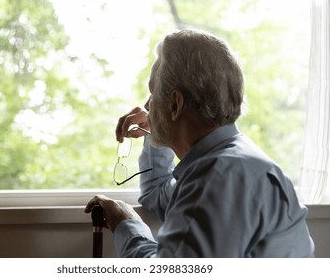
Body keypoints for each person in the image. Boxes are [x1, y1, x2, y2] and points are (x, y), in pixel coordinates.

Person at [84, 29, 315, 257]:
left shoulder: (219, 175)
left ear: (175, 104)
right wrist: (159, 124)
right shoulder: (224, 161)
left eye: (152, 95)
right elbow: (156, 195)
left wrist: (126, 223)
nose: (146, 105)